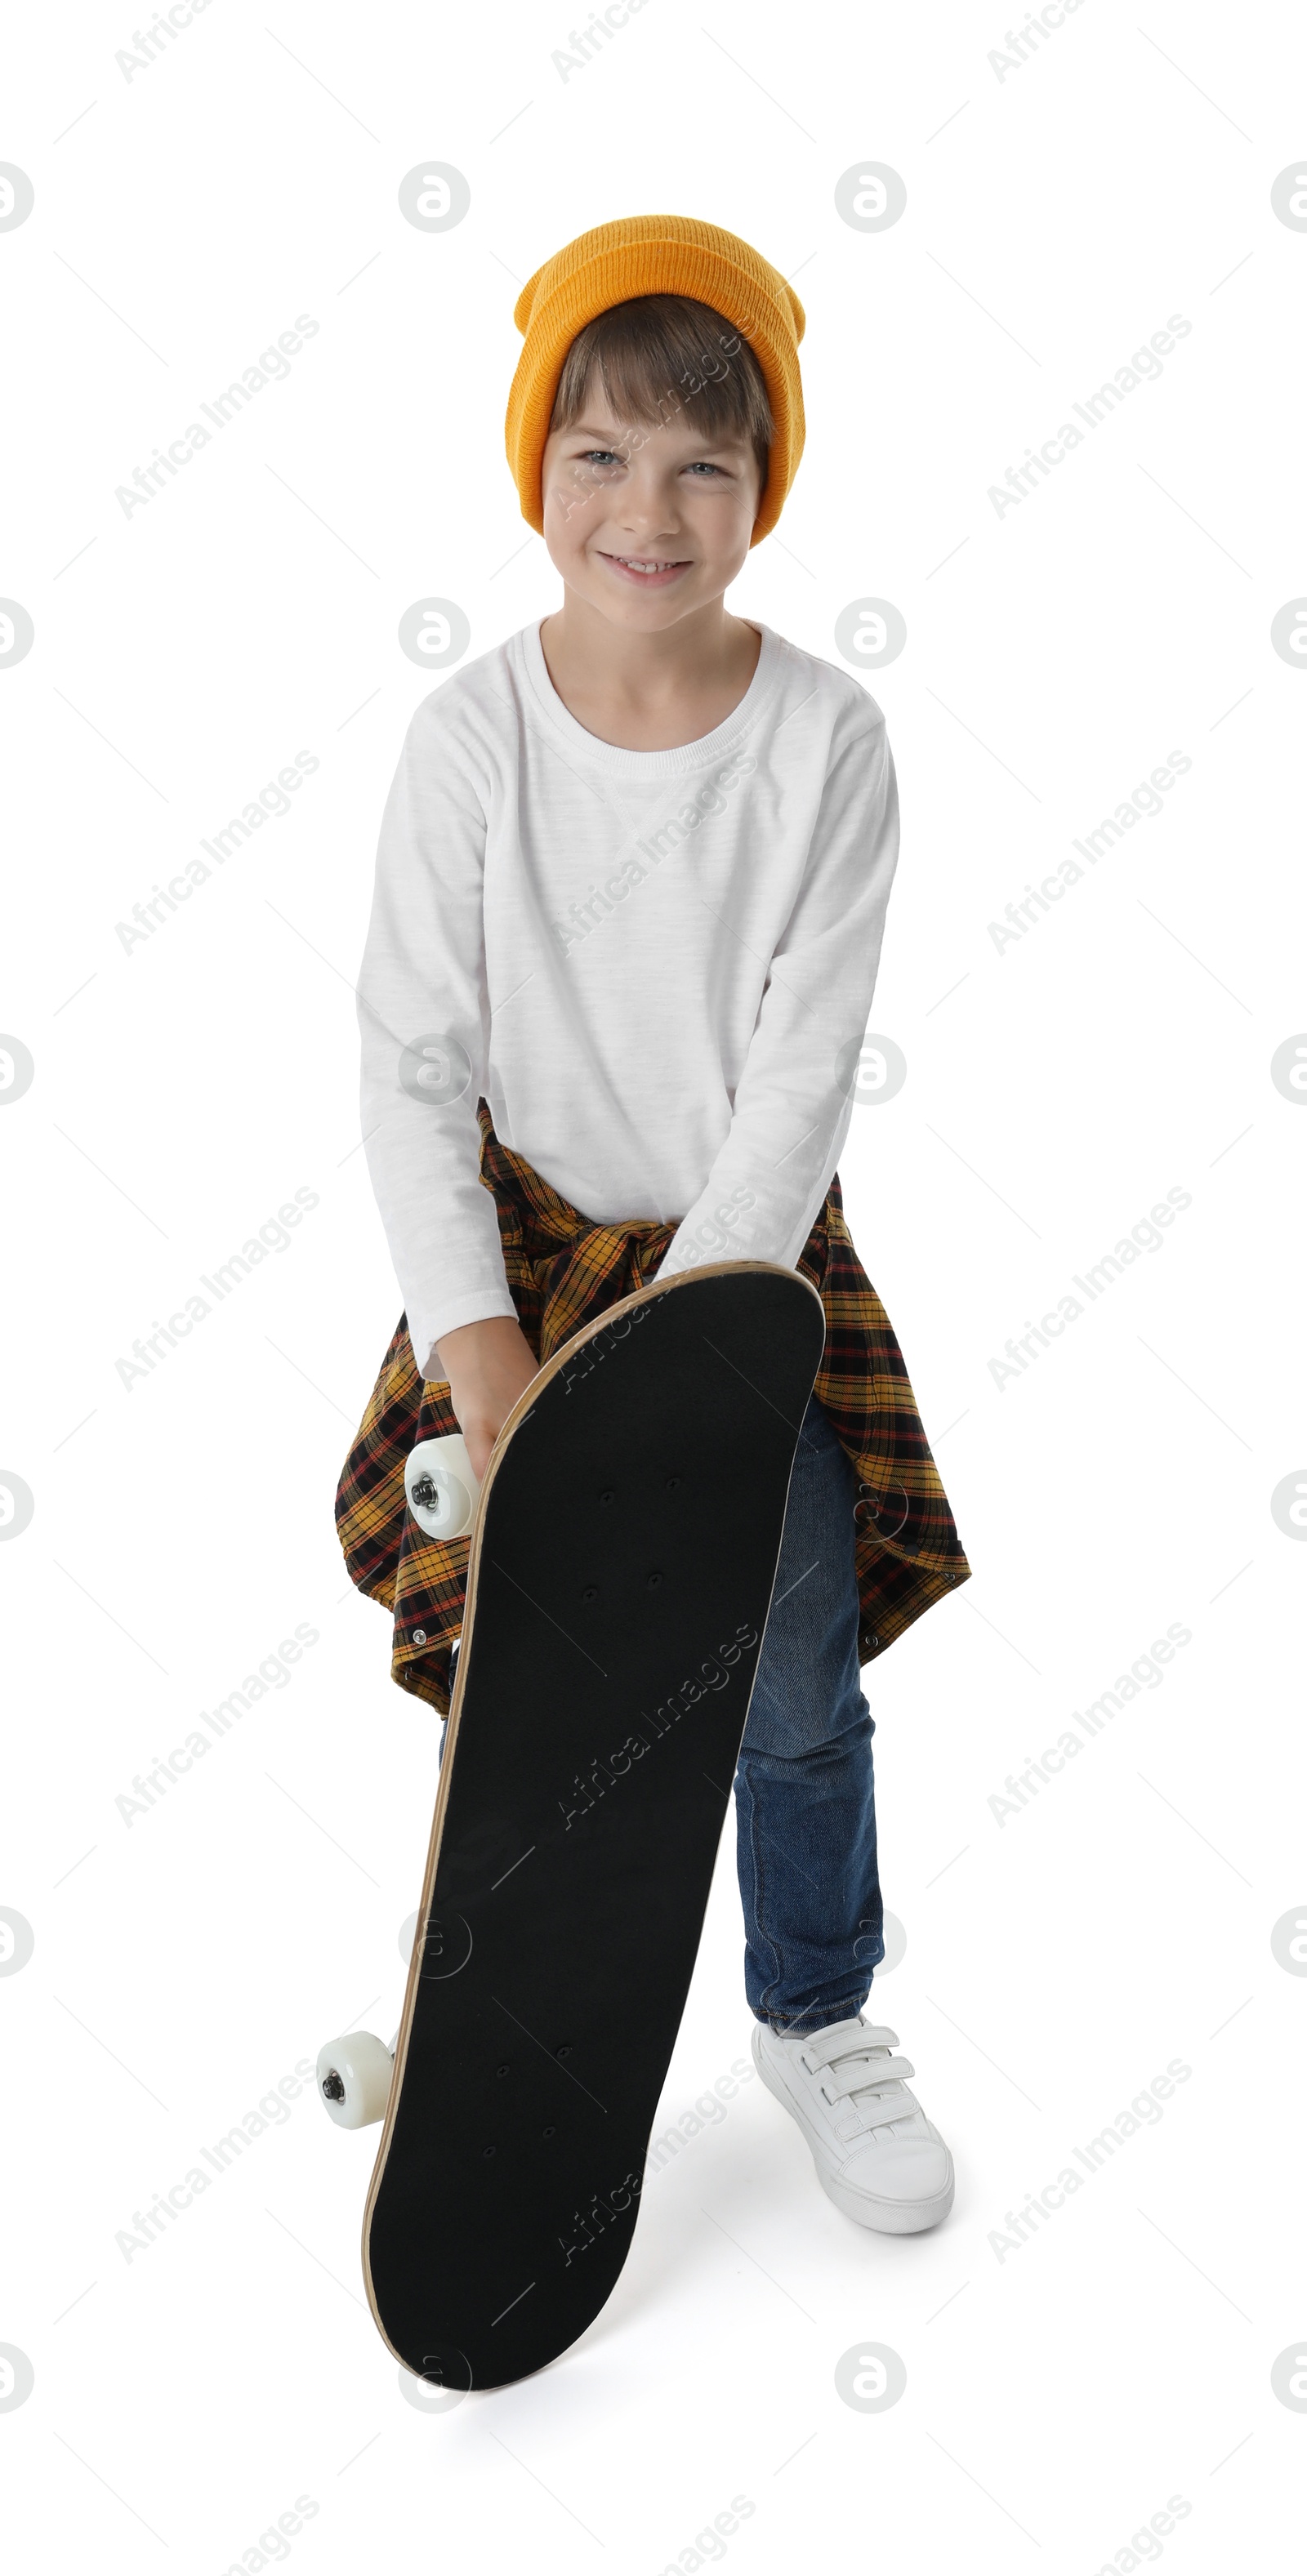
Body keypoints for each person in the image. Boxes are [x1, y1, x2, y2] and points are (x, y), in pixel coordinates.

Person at [340, 214, 971, 2236]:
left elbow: (801, 1077)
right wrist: (487, 1352)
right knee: (527, 1687)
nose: (649, 507)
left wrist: (687, 1354)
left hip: (739, 1286)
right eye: (599, 452)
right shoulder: (469, 743)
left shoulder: (824, 744)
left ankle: (811, 2007)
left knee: (786, 1673)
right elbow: (406, 1067)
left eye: (706, 461)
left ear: (762, 488)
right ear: (533, 468)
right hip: (522, 1287)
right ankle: (513, 2017)